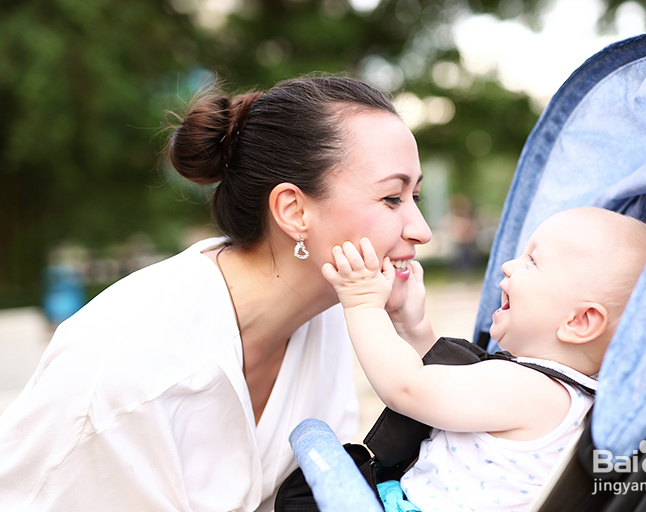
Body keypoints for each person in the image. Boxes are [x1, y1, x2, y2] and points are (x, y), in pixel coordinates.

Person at [0, 76, 431, 512]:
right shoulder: (133, 375)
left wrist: (415, 334)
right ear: (294, 210)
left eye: (415, 196)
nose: (422, 231)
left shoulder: (331, 310)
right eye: (392, 198)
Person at [322, 206, 646, 511]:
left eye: (532, 261)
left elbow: (409, 388)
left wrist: (363, 302)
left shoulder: (531, 391)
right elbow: (449, 381)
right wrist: (415, 326)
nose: (508, 266)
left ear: (579, 322)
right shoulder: (566, 396)